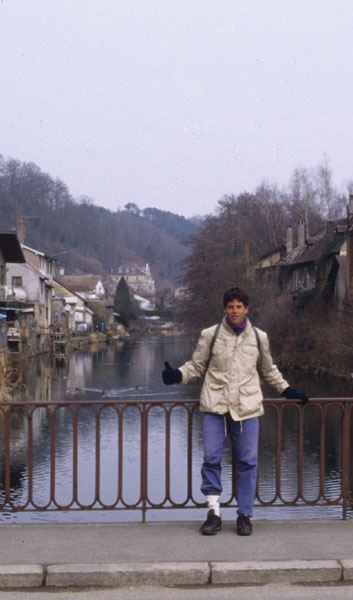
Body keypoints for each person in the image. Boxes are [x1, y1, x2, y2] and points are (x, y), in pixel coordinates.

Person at [161, 287, 308, 536]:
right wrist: (177, 375)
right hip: (215, 406)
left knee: (248, 462)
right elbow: (196, 366)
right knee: (211, 458)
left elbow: (268, 370)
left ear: (246, 309)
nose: (235, 310)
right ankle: (213, 512)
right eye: (231, 306)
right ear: (225, 309)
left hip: (247, 408)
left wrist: (287, 390)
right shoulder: (211, 335)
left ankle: (244, 514)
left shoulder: (259, 337)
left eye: (239, 306)